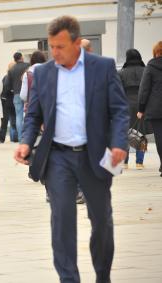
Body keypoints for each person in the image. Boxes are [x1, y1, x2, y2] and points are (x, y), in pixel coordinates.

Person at [14, 16, 129, 283]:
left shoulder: (102, 67)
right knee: (62, 220)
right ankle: (69, 279)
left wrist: (119, 144)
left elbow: (120, 110)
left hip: (95, 156)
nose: (54, 52)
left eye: (60, 46)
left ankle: (103, 275)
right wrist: (25, 142)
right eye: (51, 46)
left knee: (102, 221)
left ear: (77, 43)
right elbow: (33, 114)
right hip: (58, 157)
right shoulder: (43, 73)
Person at [137, 41, 162, 177]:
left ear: (156, 52)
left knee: (160, 138)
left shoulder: (151, 66)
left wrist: (141, 108)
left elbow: (144, 89)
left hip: (157, 109)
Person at [118, 49, 146, 169]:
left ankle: (125, 162)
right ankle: (139, 162)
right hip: (142, 105)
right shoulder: (145, 71)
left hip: (126, 105)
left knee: (126, 132)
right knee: (141, 132)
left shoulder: (121, 73)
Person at [5, 51, 29, 143]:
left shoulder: (11, 69)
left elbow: (7, 84)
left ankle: (20, 138)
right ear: (21, 57)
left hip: (16, 94)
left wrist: (12, 89)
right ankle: (27, 137)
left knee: (18, 116)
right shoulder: (27, 66)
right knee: (28, 115)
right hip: (27, 94)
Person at [0, 62, 17, 143]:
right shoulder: (16, 77)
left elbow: (2, 89)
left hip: (5, 101)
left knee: (4, 122)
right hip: (13, 100)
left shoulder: (5, 77)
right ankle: (14, 138)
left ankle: (1, 138)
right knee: (14, 121)